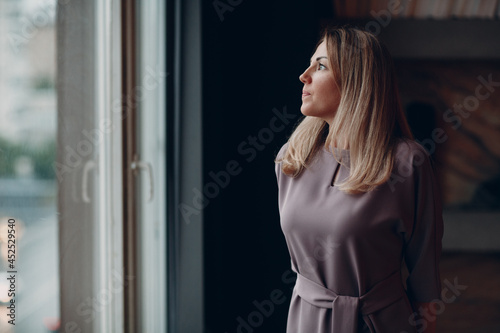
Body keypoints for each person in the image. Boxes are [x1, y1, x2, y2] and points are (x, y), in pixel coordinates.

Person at [274, 25, 444, 333]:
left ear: (355, 81)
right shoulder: (291, 159)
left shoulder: (407, 163)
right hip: (306, 323)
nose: (304, 75)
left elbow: (424, 279)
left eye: (320, 65)